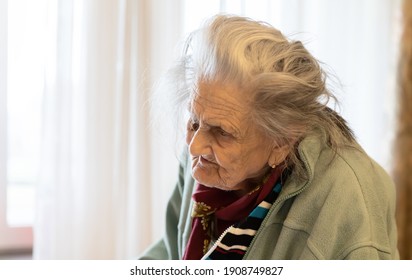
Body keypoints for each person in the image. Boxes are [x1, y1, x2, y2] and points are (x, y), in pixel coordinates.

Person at [139, 14, 399, 260]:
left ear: (281, 142)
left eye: (222, 133)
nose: (195, 145)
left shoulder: (348, 200)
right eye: (194, 121)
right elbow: (173, 246)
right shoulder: (205, 152)